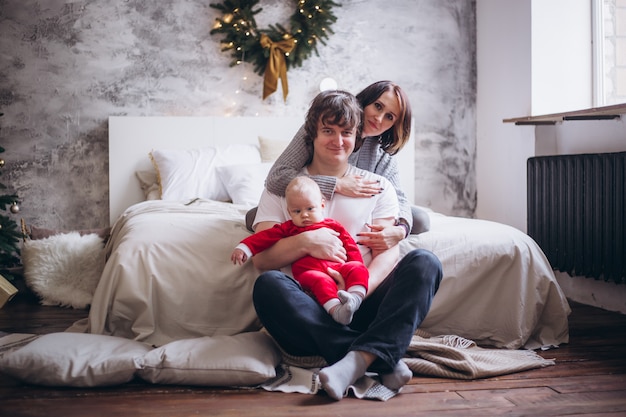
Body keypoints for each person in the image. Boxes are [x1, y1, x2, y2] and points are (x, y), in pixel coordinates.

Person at [251, 90, 442, 401]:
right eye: (328, 131)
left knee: (425, 262)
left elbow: (388, 253)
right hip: (310, 305)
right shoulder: (283, 188)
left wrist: (356, 293)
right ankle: (380, 355)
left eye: (346, 133)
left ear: (357, 137)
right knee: (268, 286)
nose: (337, 141)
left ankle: (351, 362)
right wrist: (307, 241)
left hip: (361, 301)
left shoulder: (377, 185)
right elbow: (260, 261)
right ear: (312, 133)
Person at [257, 80, 430, 250]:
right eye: (378, 106)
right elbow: (276, 177)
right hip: (310, 203)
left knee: (420, 219)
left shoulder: (381, 152)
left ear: (394, 125)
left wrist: (400, 230)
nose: (379, 118)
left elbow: (399, 197)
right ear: (365, 101)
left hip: (356, 209)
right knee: (256, 216)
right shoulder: (321, 128)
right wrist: (336, 184)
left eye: (389, 117)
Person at [231, 176, 368, 325]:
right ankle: (336, 311)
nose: (304, 214)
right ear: (289, 213)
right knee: (320, 281)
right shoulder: (289, 228)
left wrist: (354, 268)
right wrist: (244, 248)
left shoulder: (333, 226)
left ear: (322, 206)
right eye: (297, 211)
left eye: (310, 208)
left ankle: (354, 299)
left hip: (339, 269)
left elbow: (351, 248)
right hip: (310, 274)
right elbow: (264, 238)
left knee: (358, 267)